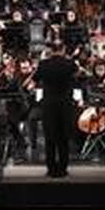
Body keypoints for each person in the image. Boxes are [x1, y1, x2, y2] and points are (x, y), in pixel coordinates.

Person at [35, 40, 77, 178]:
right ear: (63, 49)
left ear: (51, 50)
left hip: (49, 105)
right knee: (63, 137)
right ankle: (63, 168)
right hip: (65, 104)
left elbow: (35, 78)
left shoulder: (43, 64)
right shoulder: (70, 64)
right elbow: (77, 76)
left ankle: (51, 169)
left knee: (50, 137)